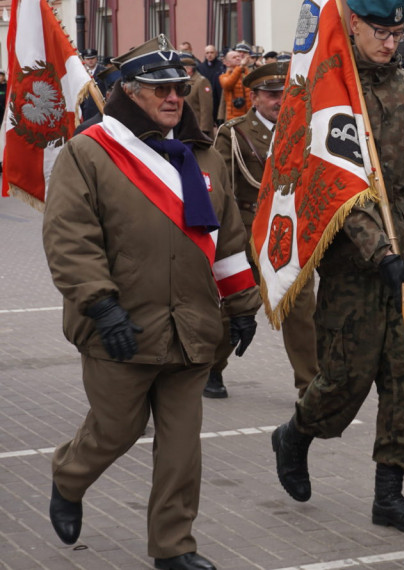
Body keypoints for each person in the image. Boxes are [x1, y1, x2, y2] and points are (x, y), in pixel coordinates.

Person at [41, 35, 260, 570]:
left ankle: (173, 547)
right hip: (122, 325)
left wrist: (242, 304)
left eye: (179, 89)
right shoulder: (89, 152)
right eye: (160, 89)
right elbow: (70, 239)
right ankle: (69, 479)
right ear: (129, 92)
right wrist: (101, 305)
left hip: (193, 328)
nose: (173, 98)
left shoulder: (201, 153)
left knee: (183, 450)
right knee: (114, 432)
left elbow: (227, 237)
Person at [271, 0, 404, 536]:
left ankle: (389, 496)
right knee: (345, 376)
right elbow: (330, 183)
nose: (390, 42)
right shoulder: (333, 91)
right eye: (381, 32)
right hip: (354, 258)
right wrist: (378, 250)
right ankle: (297, 433)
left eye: (398, 33)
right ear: (353, 25)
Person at [210, 62, 319, 399]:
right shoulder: (233, 133)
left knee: (301, 311)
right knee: (236, 309)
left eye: (284, 93)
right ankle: (211, 368)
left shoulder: (303, 130)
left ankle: (309, 385)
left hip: (289, 236)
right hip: (248, 236)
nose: (279, 100)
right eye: (271, 95)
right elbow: (221, 188)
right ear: (254, 97)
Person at [181, 52, 216, 139]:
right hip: (187, 126)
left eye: (182, 68)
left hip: (198, 128)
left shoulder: (201, 82)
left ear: (189, 69)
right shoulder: (184, 82)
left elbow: (206, 107)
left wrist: (204, 129)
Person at [219, 44, 253, 122]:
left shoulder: (247, 72)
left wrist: (246, 65)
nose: (238, 58)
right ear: (227, 63)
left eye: (239, 56)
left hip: (250, 116)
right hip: (234, 118)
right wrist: (240, 67)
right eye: (234, 57)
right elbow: (228, 85)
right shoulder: (223, 77)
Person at [196, 45, 226, 119]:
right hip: (206, 97)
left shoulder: (221, 66)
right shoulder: (200, 67)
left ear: (216, 53)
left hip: (218, 97)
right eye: (207, 53)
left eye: (211, 52)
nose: (209, 55)